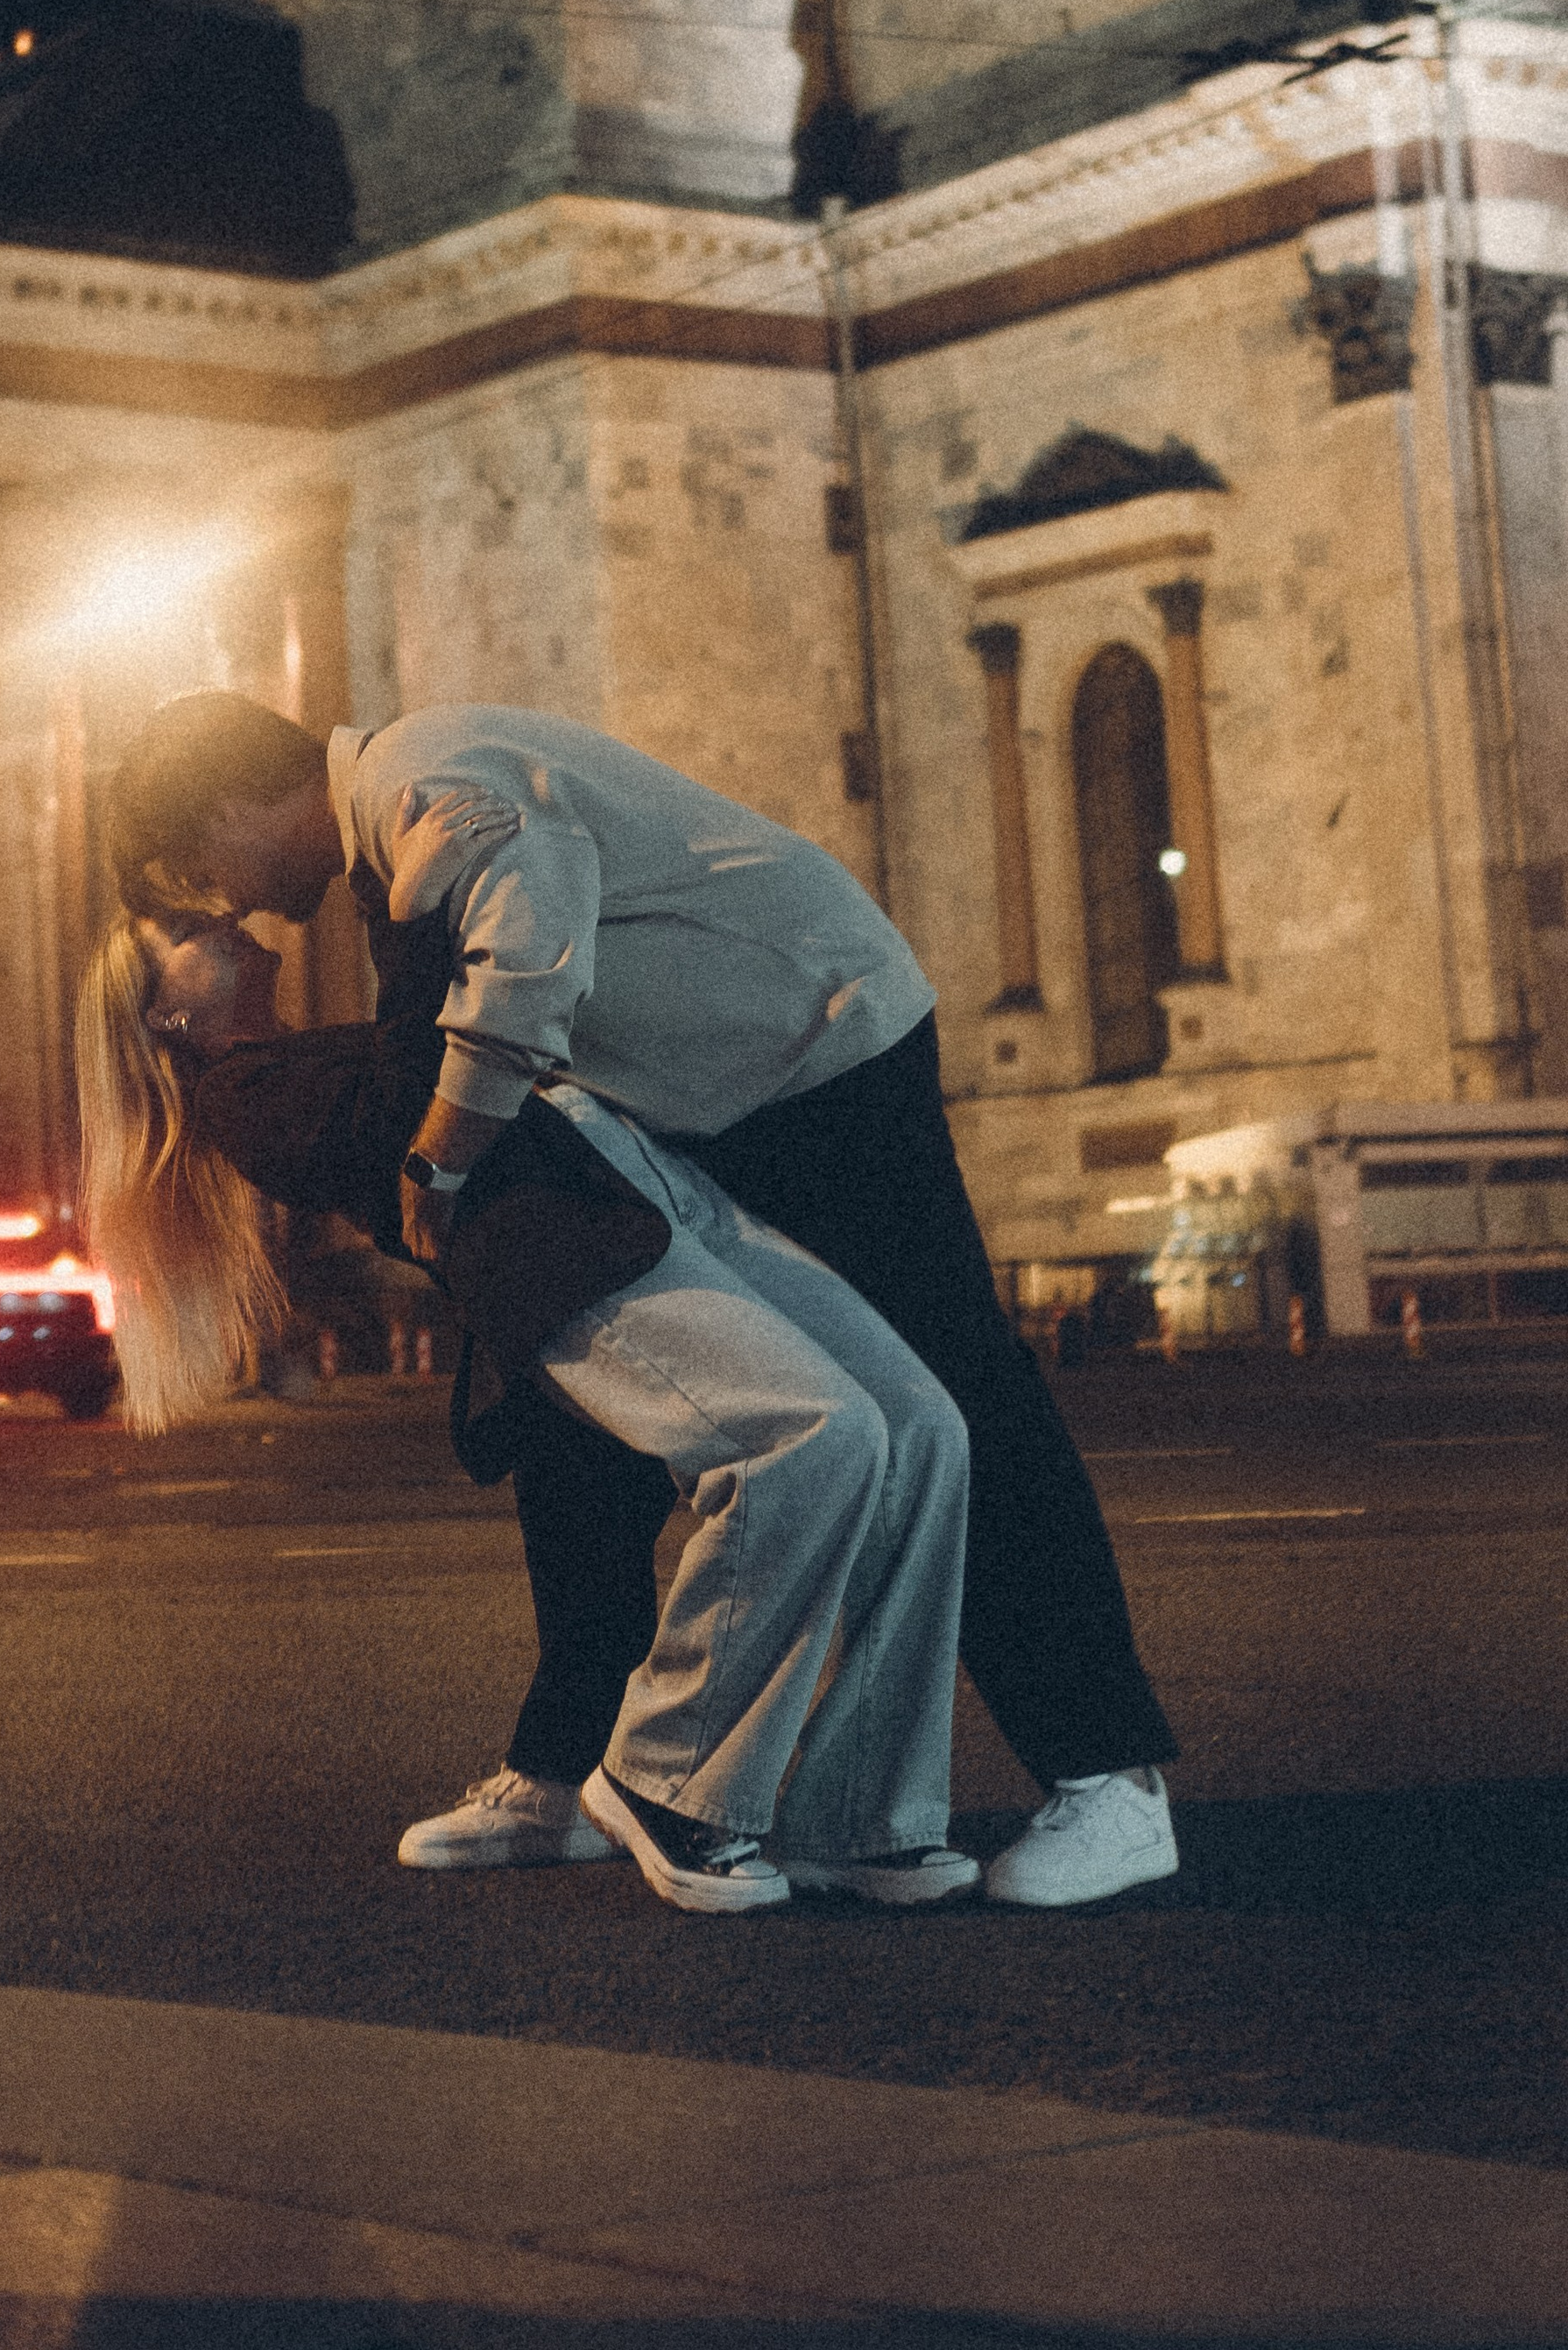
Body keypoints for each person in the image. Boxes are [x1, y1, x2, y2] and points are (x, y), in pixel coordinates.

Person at [106, 693, 1181, 1910]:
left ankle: (1108, 1773)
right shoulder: (395, 832)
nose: (231, 902)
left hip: (813, 1060)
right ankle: (571, 1772)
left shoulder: (425, 781)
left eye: (204, 866)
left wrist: (438, 1165)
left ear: (231, 803)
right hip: (707, 1089)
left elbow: (525, 962)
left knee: (951, 1390)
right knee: (578, 1438)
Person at [74, 899, 972, 1915]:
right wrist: (413, 919)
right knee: (805, 1437)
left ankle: (857, 1813)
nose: (222, 917)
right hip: (568, 1250)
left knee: (921, 1428)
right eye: (186, 931)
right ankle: (664, 1779)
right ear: (165, 1015)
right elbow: (410, 1102)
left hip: (646, 1191)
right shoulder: (243, 1099)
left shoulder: (297, 1053)